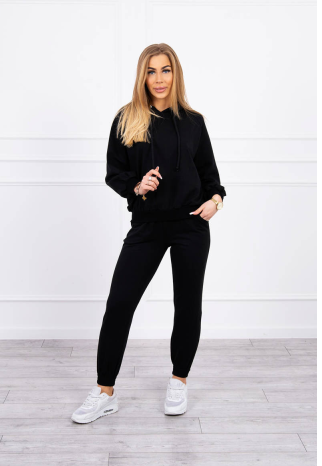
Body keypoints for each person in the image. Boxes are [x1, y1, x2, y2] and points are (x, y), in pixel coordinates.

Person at [71, 43, 226, 424]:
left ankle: (179, 380)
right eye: (151, 71)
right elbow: (114, 173)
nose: (159, 79)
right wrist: (137, 186)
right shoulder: (127, 118)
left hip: (191, 225)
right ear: (142, 76)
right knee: (119, 304)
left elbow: (211, 177)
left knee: (187, 305)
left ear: (176, 74)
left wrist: (215, 201)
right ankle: (105, 392)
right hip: (147, 225)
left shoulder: (194, 121)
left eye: (166, 70)